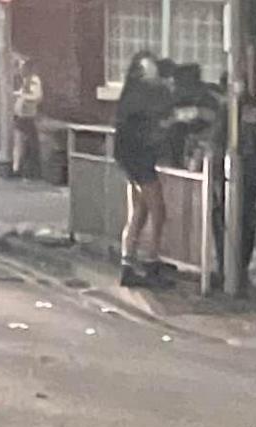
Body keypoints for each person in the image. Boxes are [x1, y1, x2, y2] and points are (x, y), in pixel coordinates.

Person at [111, 55, 174, 285]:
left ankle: (128, 262)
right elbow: (154, 124)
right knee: (158, 211)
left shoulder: (132, 94)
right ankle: (151, 262)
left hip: (131, 159)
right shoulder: (144, 95)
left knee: (139, 211)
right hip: (140, 159)